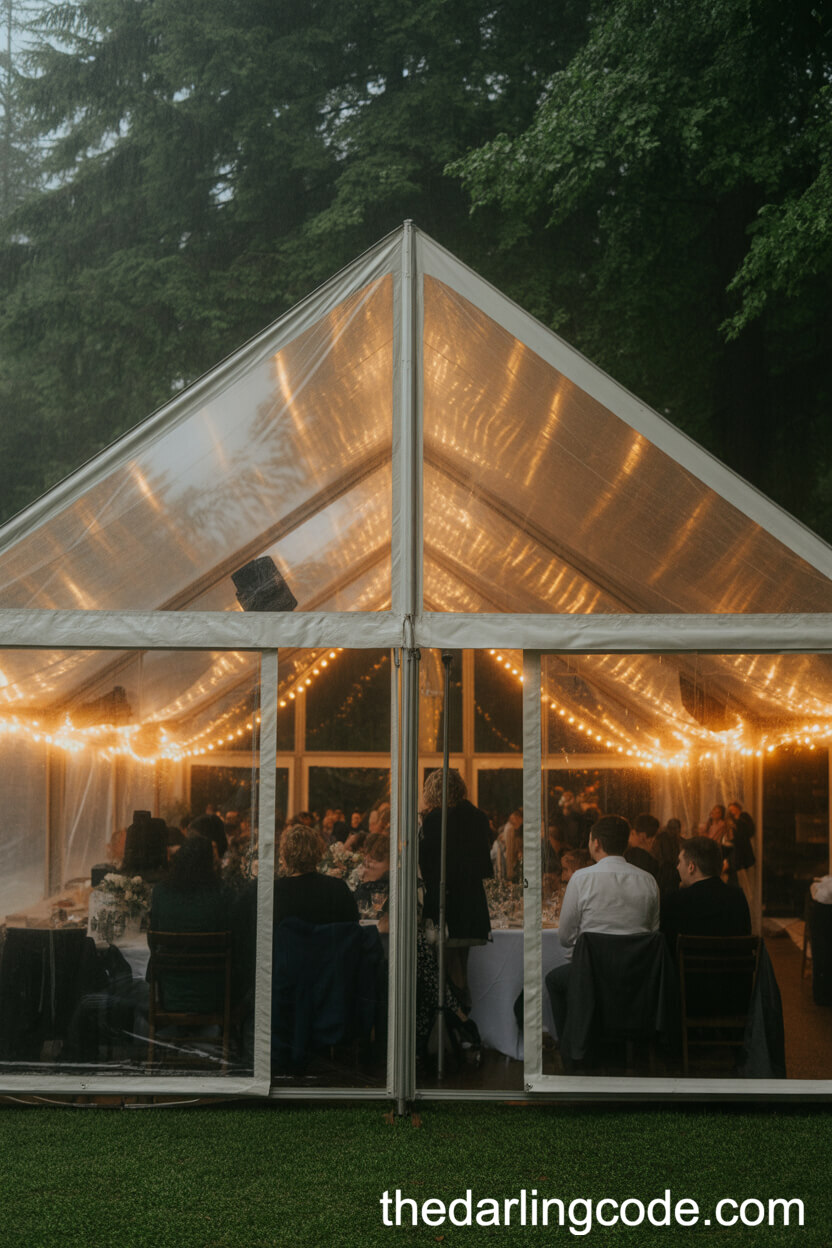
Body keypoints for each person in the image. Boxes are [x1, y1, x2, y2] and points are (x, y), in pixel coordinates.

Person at [545, 814, 660, 1039]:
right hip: (636, 978)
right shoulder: (648, 881)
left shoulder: (581, 879)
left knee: (553, 979)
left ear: (596, 843)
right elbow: (653, 934)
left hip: (591, 977)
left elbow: (565, 937)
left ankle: (570, 1046)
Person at [419, 768, 492, 1009]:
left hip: (445, 905)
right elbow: (484, 866)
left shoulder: (434, 821)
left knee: (445, 971)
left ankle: (454, 1030)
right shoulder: (479, 818)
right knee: (460, 966)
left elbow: (427, 867)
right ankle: (461, 1026)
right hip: (471, 905)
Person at [147, 835, 231, 1013]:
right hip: (214, 995)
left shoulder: (161, 892)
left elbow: (152, 941)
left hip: (170, 995)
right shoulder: (222, 894)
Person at [660, 835, 751, 953]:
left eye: (680, 862)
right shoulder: (738, 898)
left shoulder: (673, 901)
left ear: (691, 867)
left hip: (687, 971)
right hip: (732, 970)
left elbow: (665, 948)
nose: (677, 867)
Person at [274, 824, 358, 925]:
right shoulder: (337, 888)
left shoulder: (275, 892)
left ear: (284, 855)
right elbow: (352, 929)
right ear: (319, 852)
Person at [624, 813, 660, 881]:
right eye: (632, 833)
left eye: (632, 834)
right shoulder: (652, 863)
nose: (629, 838)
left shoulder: (623, 856)